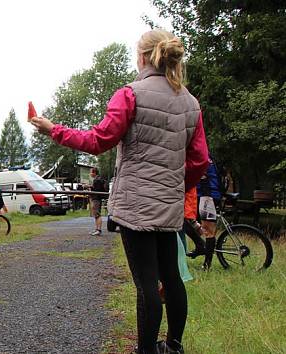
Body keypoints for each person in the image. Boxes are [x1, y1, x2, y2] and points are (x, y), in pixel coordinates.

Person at [30, 29, 209, 354]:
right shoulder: (190, 103)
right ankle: (174, 345)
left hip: (136, 207)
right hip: (169, 207)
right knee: (171, 277)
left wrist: (52, 129)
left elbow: (98, 141)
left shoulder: (130, 94)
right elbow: (200, 160)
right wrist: (176, 186)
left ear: (142, 57)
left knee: (146, 286)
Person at [196, 156, 222, 270]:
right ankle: (199, 246)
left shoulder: (202, 157)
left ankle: (207, 264)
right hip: (205, 195)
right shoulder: (208, 157)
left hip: (207, 196)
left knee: (208, 231)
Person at [88, 167, 106, 236]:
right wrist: (90, 186)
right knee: (96, 215)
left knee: (97, 214)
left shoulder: (97, 180)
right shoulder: (97, 179)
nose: (90, 174)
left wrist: (89, 187)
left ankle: (99, 230)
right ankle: (97, 229)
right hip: (96, 198)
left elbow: (96, 190)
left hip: (96, 199)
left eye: (91, 172)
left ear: (94, 173)